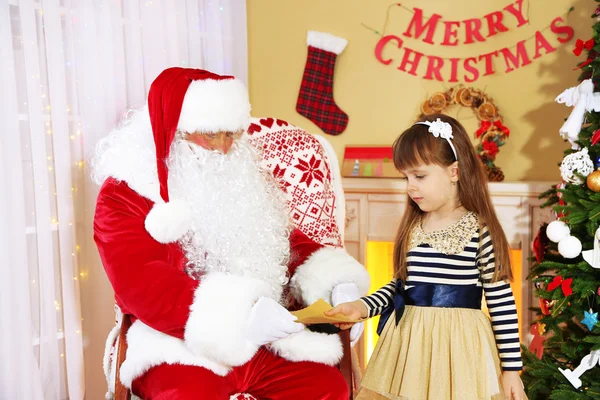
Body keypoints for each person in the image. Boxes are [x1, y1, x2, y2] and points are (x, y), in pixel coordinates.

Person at [92, 67, 370, 399]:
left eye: (232, 134)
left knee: (327, 388)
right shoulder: (125, 192)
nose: (225, 148)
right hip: (175, 343)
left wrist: (337, 284)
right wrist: (242, 316)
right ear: (174, 132)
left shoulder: (242, 176)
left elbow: (285, 243)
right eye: (211, 134)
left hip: (263, 342)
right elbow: (141, 283)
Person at [327, 114, 526, 400]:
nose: (410, 186)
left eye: (419, 176)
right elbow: (399, 288)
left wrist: (511, 370)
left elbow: (501, 303)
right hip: (408, 351)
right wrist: (361, 306)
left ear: (454, 172)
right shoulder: (413, 227)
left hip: (460, 356)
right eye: (406, 177)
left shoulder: (480, 231)